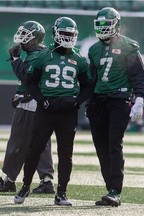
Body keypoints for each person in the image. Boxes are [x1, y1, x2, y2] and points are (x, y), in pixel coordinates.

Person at [13, 16, 92, 206]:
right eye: (64, 33)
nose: (68, 37)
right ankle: (25, 187)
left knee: (66, 153)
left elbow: (88, 86)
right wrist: (41, 101)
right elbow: (30, 82)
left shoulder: (79, 59)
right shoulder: (43, 56)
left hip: (67, 112)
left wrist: (77, 101)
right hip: (46, 110)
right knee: (34, 149)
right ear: (56, 34)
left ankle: (62, 193)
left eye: (71, 34)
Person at [86, 7, 144, 207]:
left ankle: (115, 190)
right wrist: (87, 101)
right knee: (101, 146)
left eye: (106, 23)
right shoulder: (94, 49)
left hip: (119, 99)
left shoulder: (129, 46)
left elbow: (139, 76)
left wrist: (139, 99)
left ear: (116, 25)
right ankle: (109, 188)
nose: (103, 28)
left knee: (114, 143)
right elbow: (92, 79)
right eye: (100, 24)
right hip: (99, 101)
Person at [0, 21, 55, 194]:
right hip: (42, 105)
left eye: (26, 35)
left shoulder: (36, 56)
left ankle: (9, 180)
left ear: (34, 39)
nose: (22, 39)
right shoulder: (44, 53)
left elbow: (26, 77)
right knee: (42, 143)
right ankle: (46, 180)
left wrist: (16, 60)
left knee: (18, 142)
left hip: (30, 105)